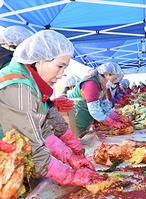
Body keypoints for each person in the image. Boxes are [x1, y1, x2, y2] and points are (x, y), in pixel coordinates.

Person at [0, 30, 104, 188]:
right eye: (59, 66)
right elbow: (33, 147)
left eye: (65, 68)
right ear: (38, 59)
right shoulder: (18, 84)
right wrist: (70, 176)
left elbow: (42, 131)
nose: (61, 75)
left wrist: (70, 157)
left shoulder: (34, 83)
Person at [68, 62, 127, 135]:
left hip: (86, 119)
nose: (114, 82)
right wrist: (112, 122)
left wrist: (115, 116)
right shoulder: (91, 83)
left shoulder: (102, 85)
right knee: (77, 140)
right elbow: (95, 111)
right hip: (76, 120)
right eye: (114, 78)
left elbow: (105, 106)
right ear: (106, 74)